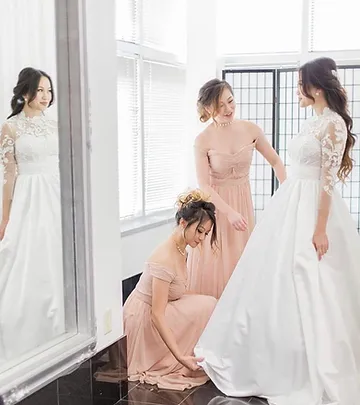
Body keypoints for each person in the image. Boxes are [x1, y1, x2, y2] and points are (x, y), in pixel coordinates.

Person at [195, 57, 360, 405]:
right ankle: (272, 353)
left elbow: (327, 182)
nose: (296, 90)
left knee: (311, 280)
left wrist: (319, 230)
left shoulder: (332, 125)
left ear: (314, 88)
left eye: (300, 84)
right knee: (272, 279)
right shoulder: (315, 119)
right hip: (290, 203)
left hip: (313, 208)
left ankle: (306, 362)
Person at [187, 79, 286, 299]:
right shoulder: (202, 140)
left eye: (230, 101)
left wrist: (287, 192)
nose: (228, 109)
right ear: (208, 108)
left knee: (242, 261)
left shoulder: (251, 129)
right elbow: (204, 185)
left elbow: (276, 162)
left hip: (243, 205)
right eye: (220, 105)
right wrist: (228, 212)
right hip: (216, 209)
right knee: (216, 264)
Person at [123, 189, 218, 390]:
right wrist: (180, 357)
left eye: (206, 233)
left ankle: (198, 354)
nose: (201, 238)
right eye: (199, 231)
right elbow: (157, 315)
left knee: (210, 303)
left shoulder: (181, 248)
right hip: (144, 319)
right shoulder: (164, 259)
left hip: (162, 306)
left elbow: (178, 291)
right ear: (183, 223)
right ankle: (181, 358)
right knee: (207, 305)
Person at [0, 67, 64, 360]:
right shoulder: (10, 128)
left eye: (48, 91)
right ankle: (26, 334)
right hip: (28, 197)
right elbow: (8, 176)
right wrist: (6, 217)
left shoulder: (56, 126)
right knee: (27, 259)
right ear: (25, 92)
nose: (45, 96)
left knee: (55, 258)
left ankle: (59, 330)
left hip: (54, 194)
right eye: (40, 90)